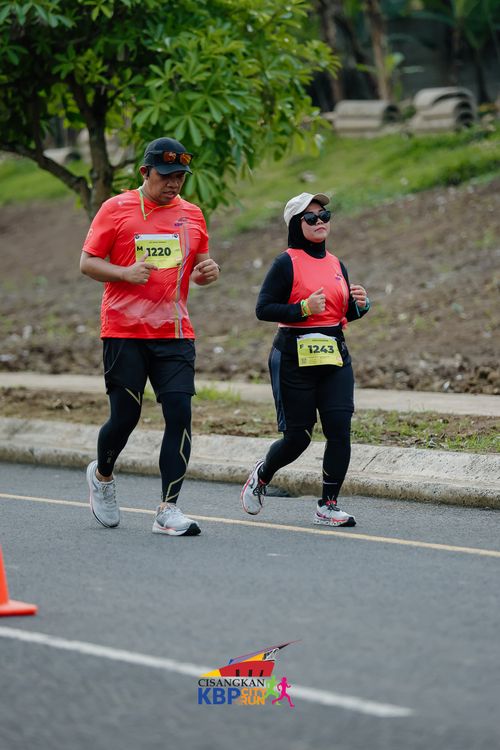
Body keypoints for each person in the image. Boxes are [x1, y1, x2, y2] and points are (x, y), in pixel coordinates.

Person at [80, 136, 220, 537]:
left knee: (179, 414)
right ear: (145, 172)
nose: (173, 183)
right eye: (166, 175)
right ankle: (103, 476)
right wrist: (124, 274)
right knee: (125, 417)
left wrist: (208, 272)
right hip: (124, 330)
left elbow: (200, 263)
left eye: (180, 176)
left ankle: (168, 509)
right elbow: (87, 262)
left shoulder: (192, 214)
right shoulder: (116, 208)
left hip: (174, 332)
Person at [240, 192, 370, 527]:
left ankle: (328, 505)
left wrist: (361, 306)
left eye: (324, 215)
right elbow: (263, 309)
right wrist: (302, 308)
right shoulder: (286, 263)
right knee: (298, 437)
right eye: (311, 218)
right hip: (293, 357)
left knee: (339, 430)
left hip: (333, 354)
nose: (320, 221)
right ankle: (262, 475)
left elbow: (339, 314)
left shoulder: (336, 264)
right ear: (296, 225)